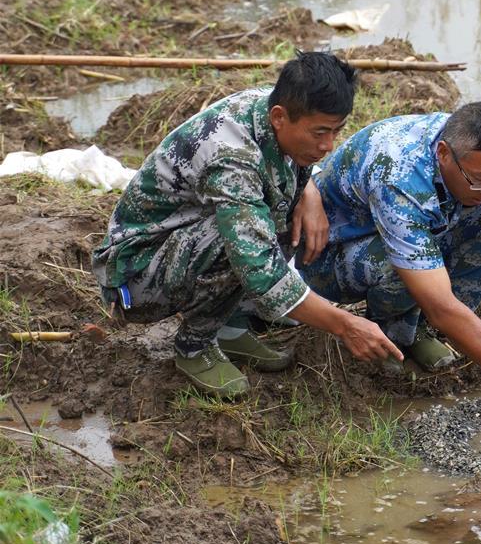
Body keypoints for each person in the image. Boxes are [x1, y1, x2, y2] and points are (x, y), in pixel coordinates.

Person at [92, 51, 402, 398]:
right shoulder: (232, 157)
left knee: (279, 204)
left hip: (179, 242)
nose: (328, 146)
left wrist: (309, 190)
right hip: (135, 273)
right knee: (239, 239)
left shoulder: (273, 108)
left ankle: (231, 327)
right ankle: (194, 346)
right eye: (319, 132)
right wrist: (344, 324)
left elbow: (280, 180)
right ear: (279, 117)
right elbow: (260, 268)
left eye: (336, 131)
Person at [300, 101, 481, 423]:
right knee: (399, 265)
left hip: (415, 230)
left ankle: (419, 328)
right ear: (443, 154)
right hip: (330, 256)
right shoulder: (399, 173)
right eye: (479, 180)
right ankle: (392, 331)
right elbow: (440, 305)